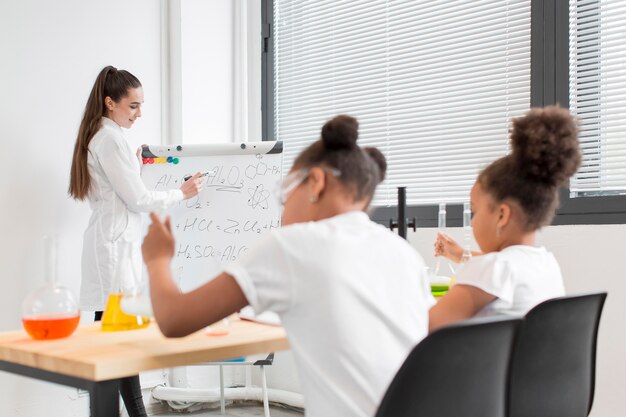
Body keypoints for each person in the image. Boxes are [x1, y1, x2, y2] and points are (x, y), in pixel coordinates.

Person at [141, 115, 434, 417]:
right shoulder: (403, 253)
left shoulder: (293, 244)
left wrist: (158, 258)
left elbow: (174, 320)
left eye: (285, 193)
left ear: (316, 183)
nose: (282, 208)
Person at [68, 65, 203, 417]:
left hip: (111, 245)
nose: (140, 114)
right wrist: (181, 192)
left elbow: (123, 191)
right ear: (110, 103)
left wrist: (135, 164)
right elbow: (138, 200)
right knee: (117, 346)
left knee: (117, 344)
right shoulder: (110, 139)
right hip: (112, 250)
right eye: (133, 106)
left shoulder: (103, 136)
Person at [429, 105, 581, 332]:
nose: (472, 222)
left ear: (502, 215)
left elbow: (426, 326)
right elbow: (507, 264)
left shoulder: (493, 268)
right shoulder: (545, 263)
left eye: (475, 211)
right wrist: (461, 255)